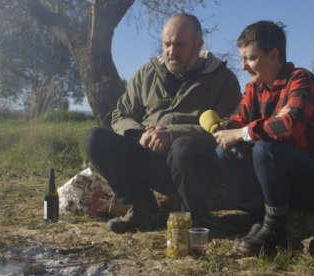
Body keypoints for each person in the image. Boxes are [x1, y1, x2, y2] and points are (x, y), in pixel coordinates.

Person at [85, 13, 241, 233]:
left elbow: (228, 127)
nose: (171, 51)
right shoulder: (147, 74)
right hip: (152, 159)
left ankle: (196, 218)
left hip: (196, 167)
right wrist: (139, 135)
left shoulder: (222, 79)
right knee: (95, 139)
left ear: (198, 45)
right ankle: (142, 208)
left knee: (182, 147)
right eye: (167, 44)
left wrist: (173, 134)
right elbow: (120, 115)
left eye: (180, 45)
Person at [213, 20, 314, 255]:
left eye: (251, 58)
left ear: (273, 54)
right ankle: (260, 216)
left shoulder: (302, 80)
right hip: (283, 183)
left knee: (268, 148)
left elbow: (289, 124)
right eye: (242, 59)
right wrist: (223, 129)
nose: (244, 66)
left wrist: (242, 132)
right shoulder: (254, 89)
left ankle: (276, 228)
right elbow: (235, 123)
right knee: (226, 151)